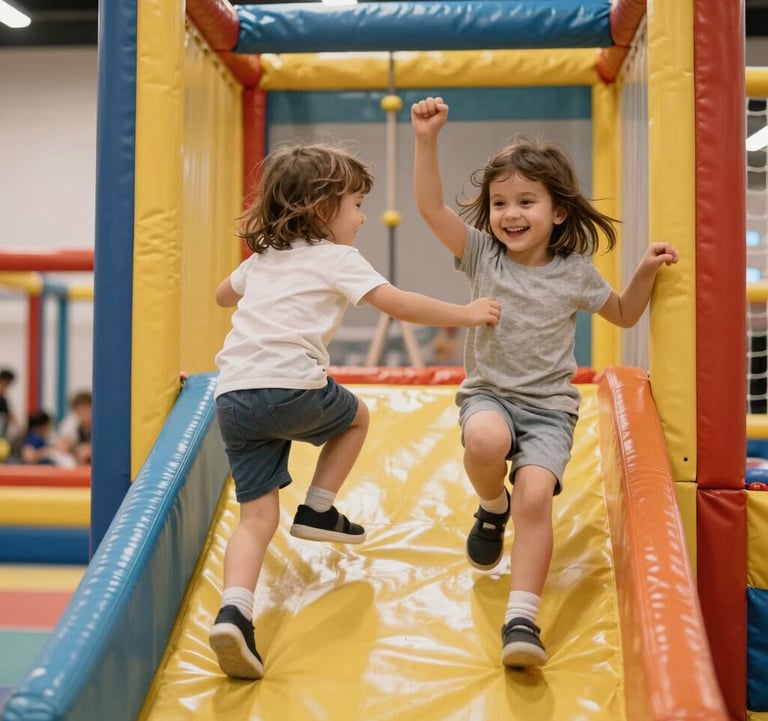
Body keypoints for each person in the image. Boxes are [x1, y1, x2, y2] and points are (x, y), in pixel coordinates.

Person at [209, 141, 501, 680]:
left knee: (255, 519)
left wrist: (252, 274)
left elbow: (222, 296)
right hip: (292, 387)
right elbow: (398, 304)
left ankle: (235, 613)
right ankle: (319, 507)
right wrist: (465, 312)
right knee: (356, 416)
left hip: (233, 397)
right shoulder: (337, 257)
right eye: (356, 205)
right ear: (323, 210)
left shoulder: (263, 260)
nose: (363, 217)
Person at [411, 97, 679, 669]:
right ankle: (490, 506)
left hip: (550, 410)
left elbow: (625, 314)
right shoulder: (483, 254)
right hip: (490, 395)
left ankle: (522, 618)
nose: (510, 213)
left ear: (558, 212)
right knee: (484, 443)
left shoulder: (575, 271)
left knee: (537, 496)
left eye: (526, 202)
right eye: (500, 202)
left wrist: (646, 269)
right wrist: (427, 139)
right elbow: (431, 207)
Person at [54, 390, 92, 466]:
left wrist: (91, 450)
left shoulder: (102, 424)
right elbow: (60, 445)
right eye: (78, 410)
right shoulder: (71, 422)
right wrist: (76, 451)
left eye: (85, 409)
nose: (82, 414)